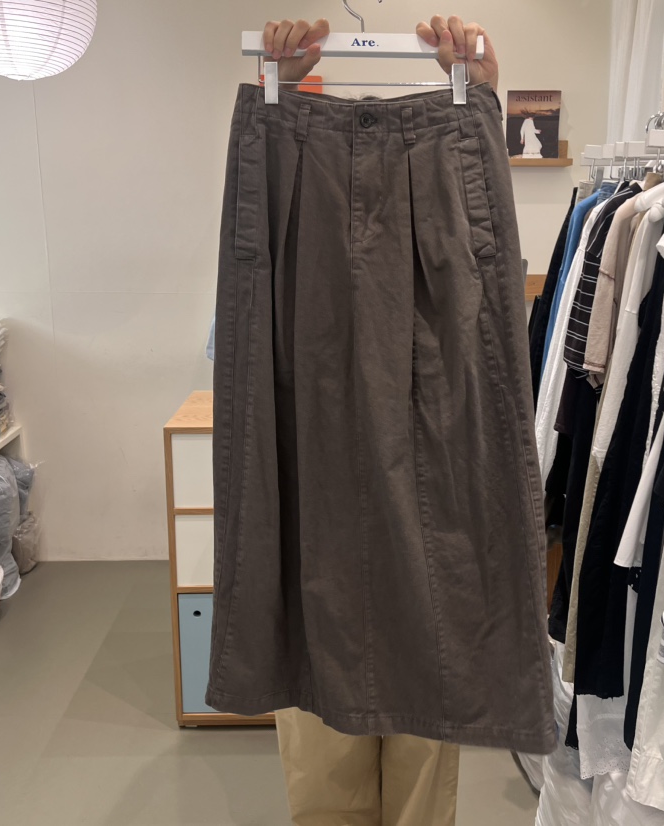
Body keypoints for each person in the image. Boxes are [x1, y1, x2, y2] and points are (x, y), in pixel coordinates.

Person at [259, 14, 500, 826]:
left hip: (419, 486)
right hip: (321, 479)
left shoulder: (449, 192)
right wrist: (277, 91)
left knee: (424, 662)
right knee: (326, 670)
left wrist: (478, 98)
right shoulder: (286, 188)